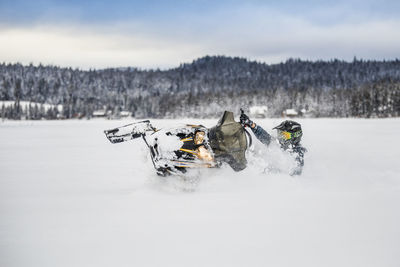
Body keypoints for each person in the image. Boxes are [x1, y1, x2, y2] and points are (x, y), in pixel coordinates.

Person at [240, 112, 307, 175]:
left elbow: (292, 175)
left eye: (284, 135)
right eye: (280, 134)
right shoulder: (281, 145)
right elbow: (266, 137)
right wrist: (252, 125)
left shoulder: (297, 154)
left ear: (294, 137)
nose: (281, 138)